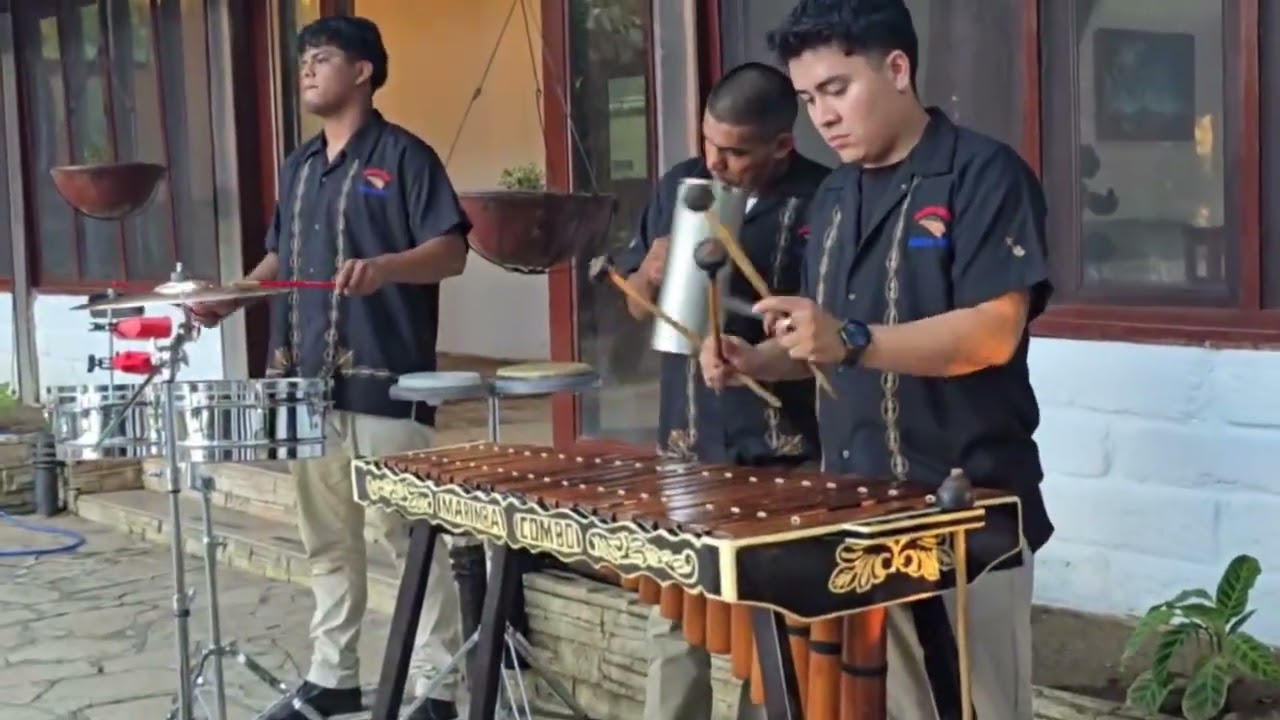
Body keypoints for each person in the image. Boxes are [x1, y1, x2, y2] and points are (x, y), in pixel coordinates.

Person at [700, 2, 1051, 718]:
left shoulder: (983, 175)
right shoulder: (832, 195)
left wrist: (851, 340)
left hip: (965, 517)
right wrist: (759, 359)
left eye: (837, 89)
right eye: (808, 100)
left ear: (896, 69)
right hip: (855, 519)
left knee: (980, 708)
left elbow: (993, 333)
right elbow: (827, 344)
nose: (823, 117)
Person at [189, 16, 471, 720]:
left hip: (385, 382)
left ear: (363, 71)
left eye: (320, 59)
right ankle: (331, 677)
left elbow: (452, 251)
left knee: (407, 540)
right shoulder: (299, 166)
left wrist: (385, 268)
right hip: (302, 383)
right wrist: (235, 296)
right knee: (326, 542)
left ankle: (437, 685)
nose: (306, 71)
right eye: (303, 61)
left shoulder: (406, 157)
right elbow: (279, 256)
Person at [613, 62, 829, 720]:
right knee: (674, 627)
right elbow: (637, 308)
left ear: (782, 145)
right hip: (688, 442)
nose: (715, 161)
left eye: (734, 152)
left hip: (785, 450)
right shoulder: (683, 184)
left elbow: (834, 337)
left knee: (772, 634)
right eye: (709, 142)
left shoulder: (826, 198)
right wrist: (648, 277)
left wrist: (759, 355)